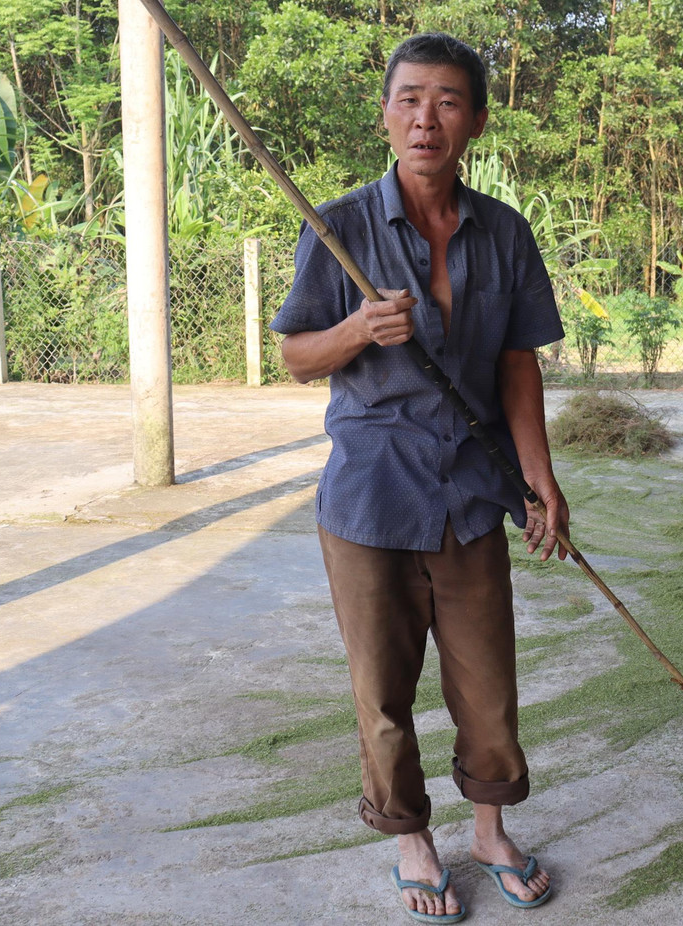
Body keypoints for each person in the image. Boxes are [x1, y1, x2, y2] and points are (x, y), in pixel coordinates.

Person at [268, 33, 567, 924]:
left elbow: (519, 366)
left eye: (445, 101)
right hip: (371, 497)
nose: (424, 118)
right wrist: (359, 330)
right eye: (408, 100)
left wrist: (540, 479)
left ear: (475, 118)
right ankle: (411, 837)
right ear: (385, 114)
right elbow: (294, 356)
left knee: (487, 681)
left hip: (474, 490)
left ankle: (488, 830)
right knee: (383, 692)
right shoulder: (338, 227)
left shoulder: (505, 232)